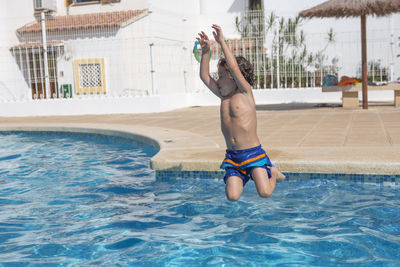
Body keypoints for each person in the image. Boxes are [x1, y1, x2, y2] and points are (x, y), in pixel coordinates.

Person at [197, 24, 285, 201]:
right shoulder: (223, 95)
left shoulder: (245, 92)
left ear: (232, 77)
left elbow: (234, 67)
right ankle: (246, 176)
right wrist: (206, 52)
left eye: (221, 75)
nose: (218, 79)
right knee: (232, 196)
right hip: (233, 156)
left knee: (265, 192)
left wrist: (221, 42)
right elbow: (204, 77)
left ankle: (272, 171)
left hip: (253, 153)